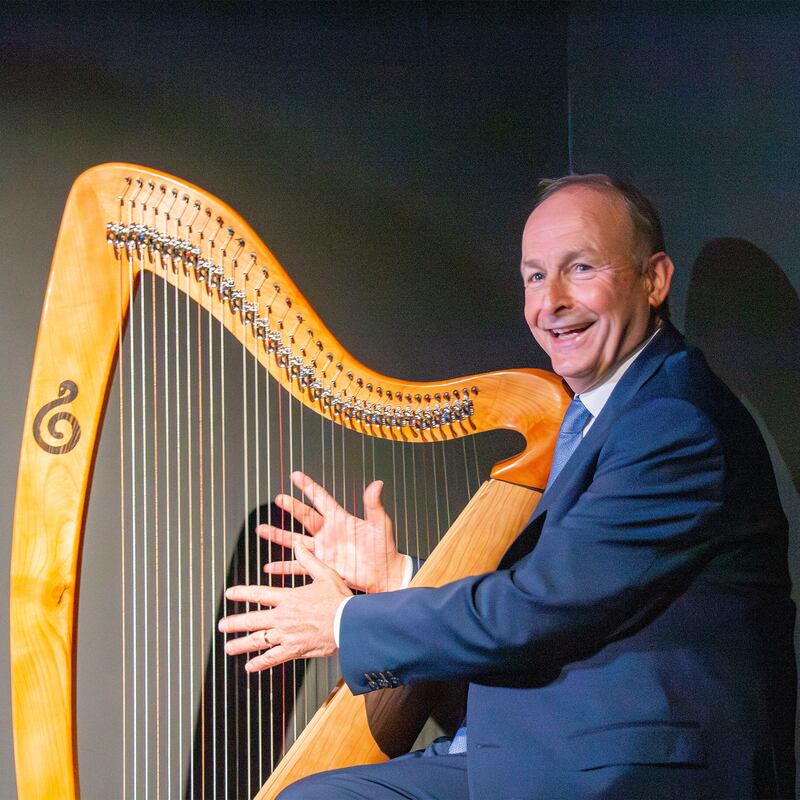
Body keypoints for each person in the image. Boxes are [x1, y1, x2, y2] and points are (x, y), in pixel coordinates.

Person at [219, 175, 797, 799]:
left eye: (580, 268)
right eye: (534, 277)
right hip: (550, 751)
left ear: (654, 280)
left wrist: (346, 621)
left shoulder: (675, 425)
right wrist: (395, 577)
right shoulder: (619, 410)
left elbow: (537, 610)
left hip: (621, 772)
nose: (551, 302)